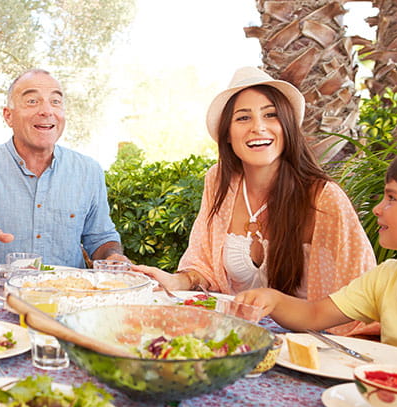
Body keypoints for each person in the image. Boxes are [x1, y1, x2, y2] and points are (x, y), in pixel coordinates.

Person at [133, 67, 376, 336]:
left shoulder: (323, 197)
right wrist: (177, 280)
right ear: (227, 133)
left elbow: (360, 295)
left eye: (271, 115)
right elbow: (204, 266)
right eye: (243, 118)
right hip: (229, 338)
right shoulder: (218, 182)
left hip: (308, 352)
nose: (258, 127)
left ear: (287, 125)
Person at [235, 144, 397, 356]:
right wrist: (273, 299)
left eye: (392, 198)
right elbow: (315, 314)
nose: (377, 209)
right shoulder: (386, 277)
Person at [0, 69, 128, 270]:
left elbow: (101, 238)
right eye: (32, 101)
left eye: (55, 102)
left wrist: (113, 256)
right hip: (0, 299)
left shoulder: (88, 171)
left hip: (69, 297)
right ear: (8, 116)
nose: (47, 111)